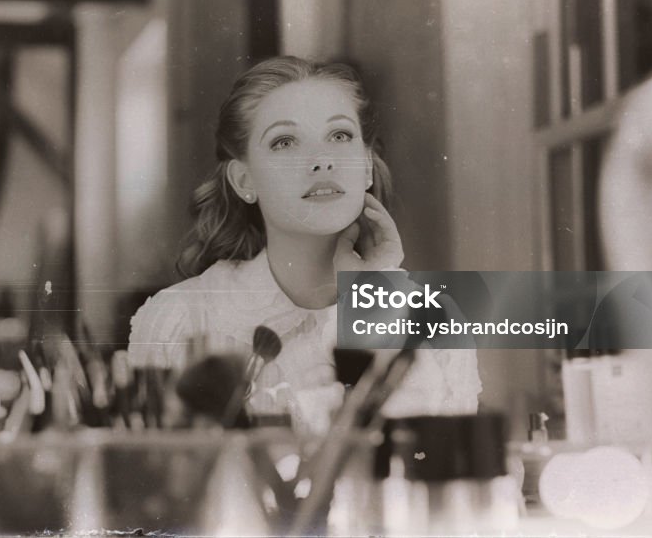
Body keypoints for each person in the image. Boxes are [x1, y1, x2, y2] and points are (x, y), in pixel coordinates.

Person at [128, 56, 480, 429]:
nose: (321, 161)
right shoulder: (180, 317)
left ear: (365, 165)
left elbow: (427, 462)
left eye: (339, 135)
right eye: (284, 142)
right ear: (244, 181)